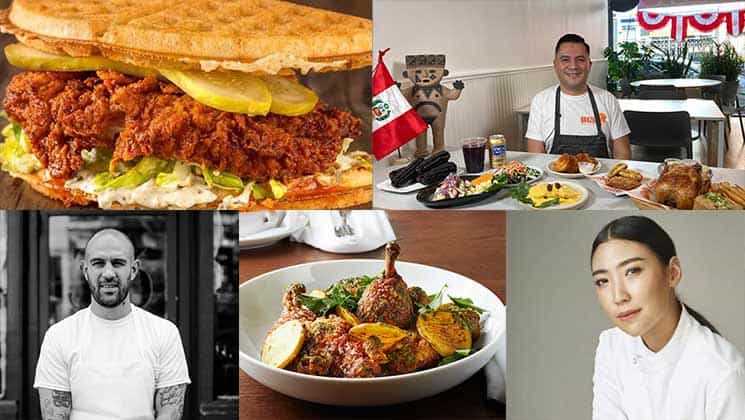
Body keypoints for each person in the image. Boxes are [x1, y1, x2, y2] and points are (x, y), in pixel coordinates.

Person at [590, 216, 745, 420]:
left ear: (672, 272)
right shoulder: (612, 346)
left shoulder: (723, 371)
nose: (618, 296)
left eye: (632, 271)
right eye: (603, 281)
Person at [34, 229, 191, 420]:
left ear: (133, 270)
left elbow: (169, 413)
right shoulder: (59, 336)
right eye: (98, 263)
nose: (108, 273)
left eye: (118, 263)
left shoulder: (164, 333)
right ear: (85, 270)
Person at [526, 34, 632, 159]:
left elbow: (623, 154)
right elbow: (536, 156)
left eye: (580, 59)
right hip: (554, 178)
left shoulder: (607, 100)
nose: (573, 66)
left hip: (601, 177)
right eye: (565, 59)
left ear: (589, 65)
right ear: (555, 65)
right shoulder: (541, 101)